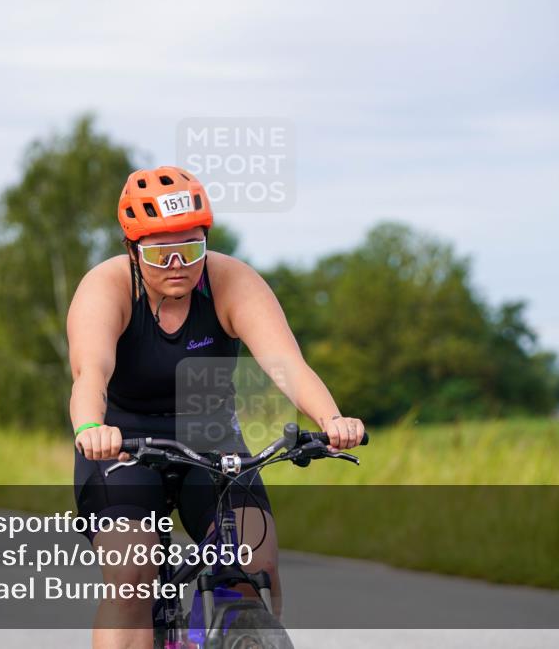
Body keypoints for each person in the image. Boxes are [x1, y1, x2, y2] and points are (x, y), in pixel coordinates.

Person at [68, 166, 365, 648]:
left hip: (210, 436)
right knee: (132, 571)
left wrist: (331, 419)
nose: (178, 264)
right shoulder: (107, 288)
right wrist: (90, 427)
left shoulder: (231, 281)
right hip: (121, 443)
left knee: (256, 562)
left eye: (191, 249)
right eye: (161, 253)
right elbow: (90, 373)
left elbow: (285, 364)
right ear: (132, 249)